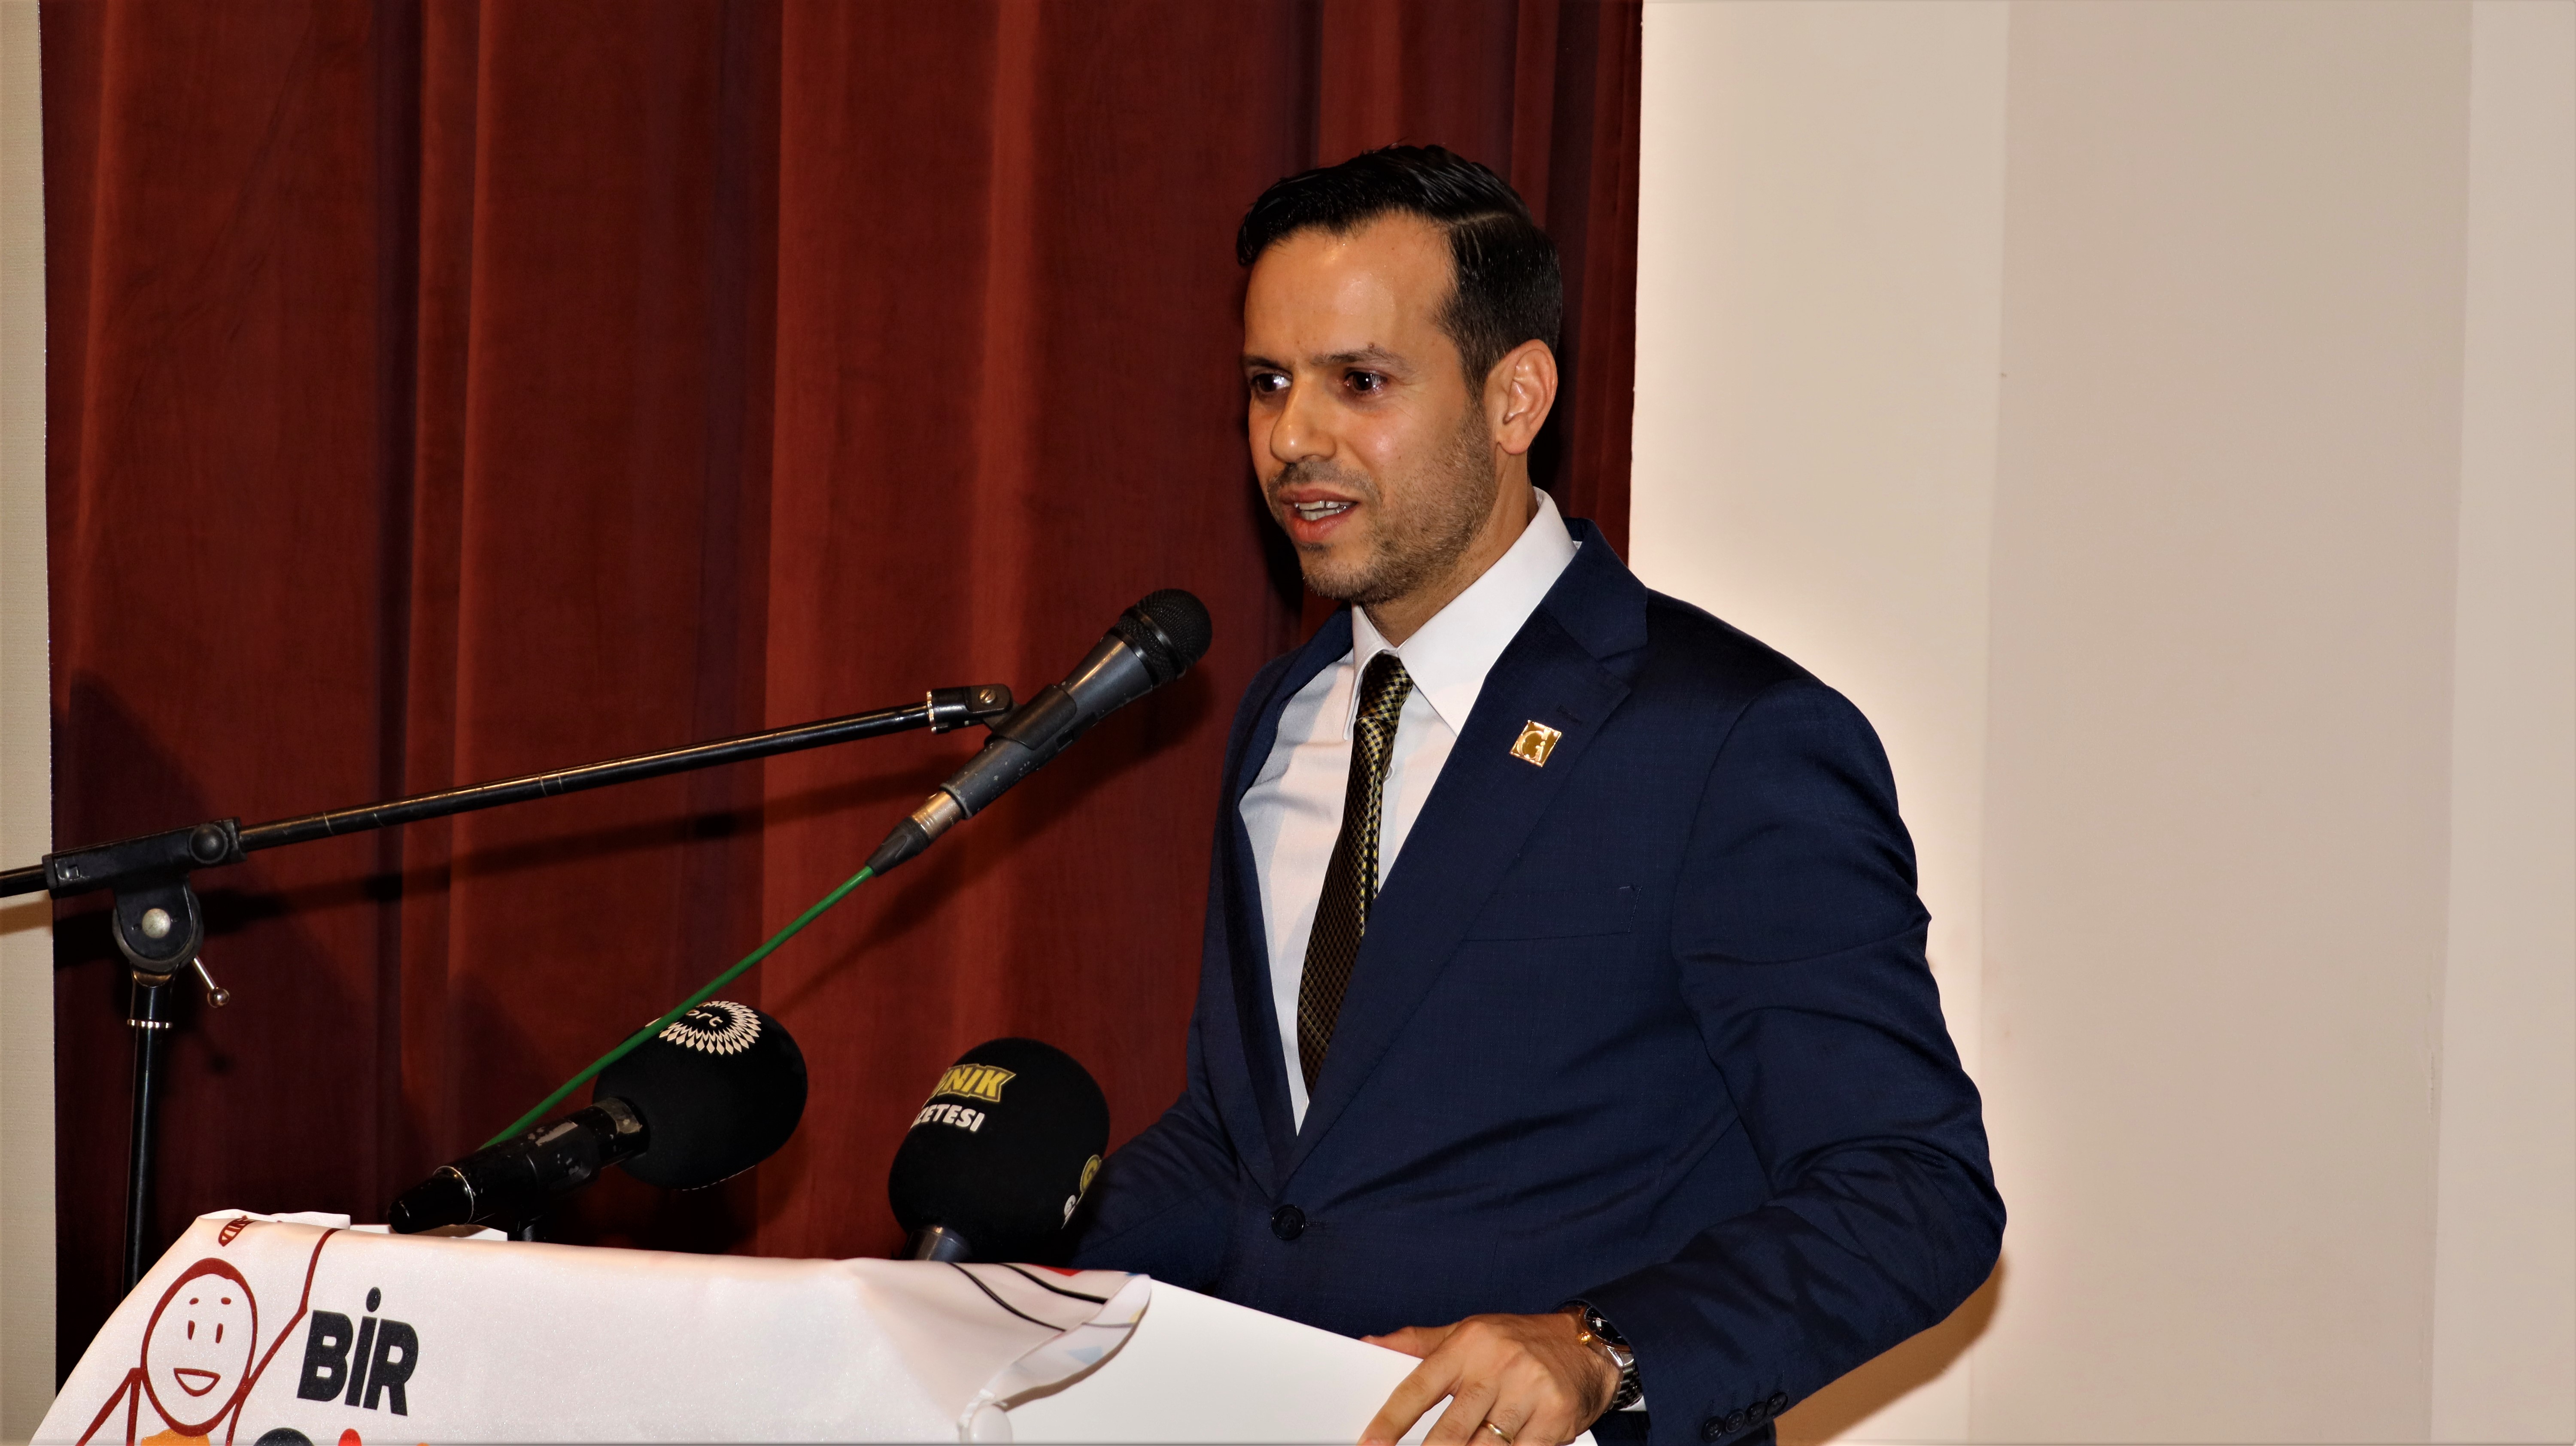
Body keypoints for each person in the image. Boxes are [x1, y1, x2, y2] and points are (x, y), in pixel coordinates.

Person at [1069, 145, 2002, 1446]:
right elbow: (1265, 1156)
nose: (1293, 438)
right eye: (1269, 383)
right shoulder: (1287, 717)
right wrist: (1005, 1280)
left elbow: (1913, 1190)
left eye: (1360, 382)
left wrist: (1602, 1348)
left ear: (1516, 398)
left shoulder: (1727, 738)